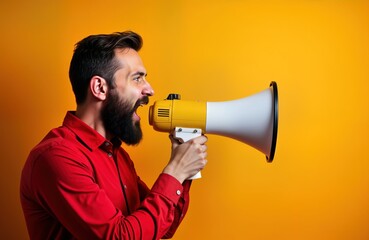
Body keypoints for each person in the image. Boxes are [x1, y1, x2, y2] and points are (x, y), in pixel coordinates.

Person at [20, 31, 208, 240]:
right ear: (100, 88)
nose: (150, 90)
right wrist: (176, 171)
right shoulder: (56, 157)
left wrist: (184, 169)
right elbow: (119, 237)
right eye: (137, 78)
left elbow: (164, 227)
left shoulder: (116, 154)